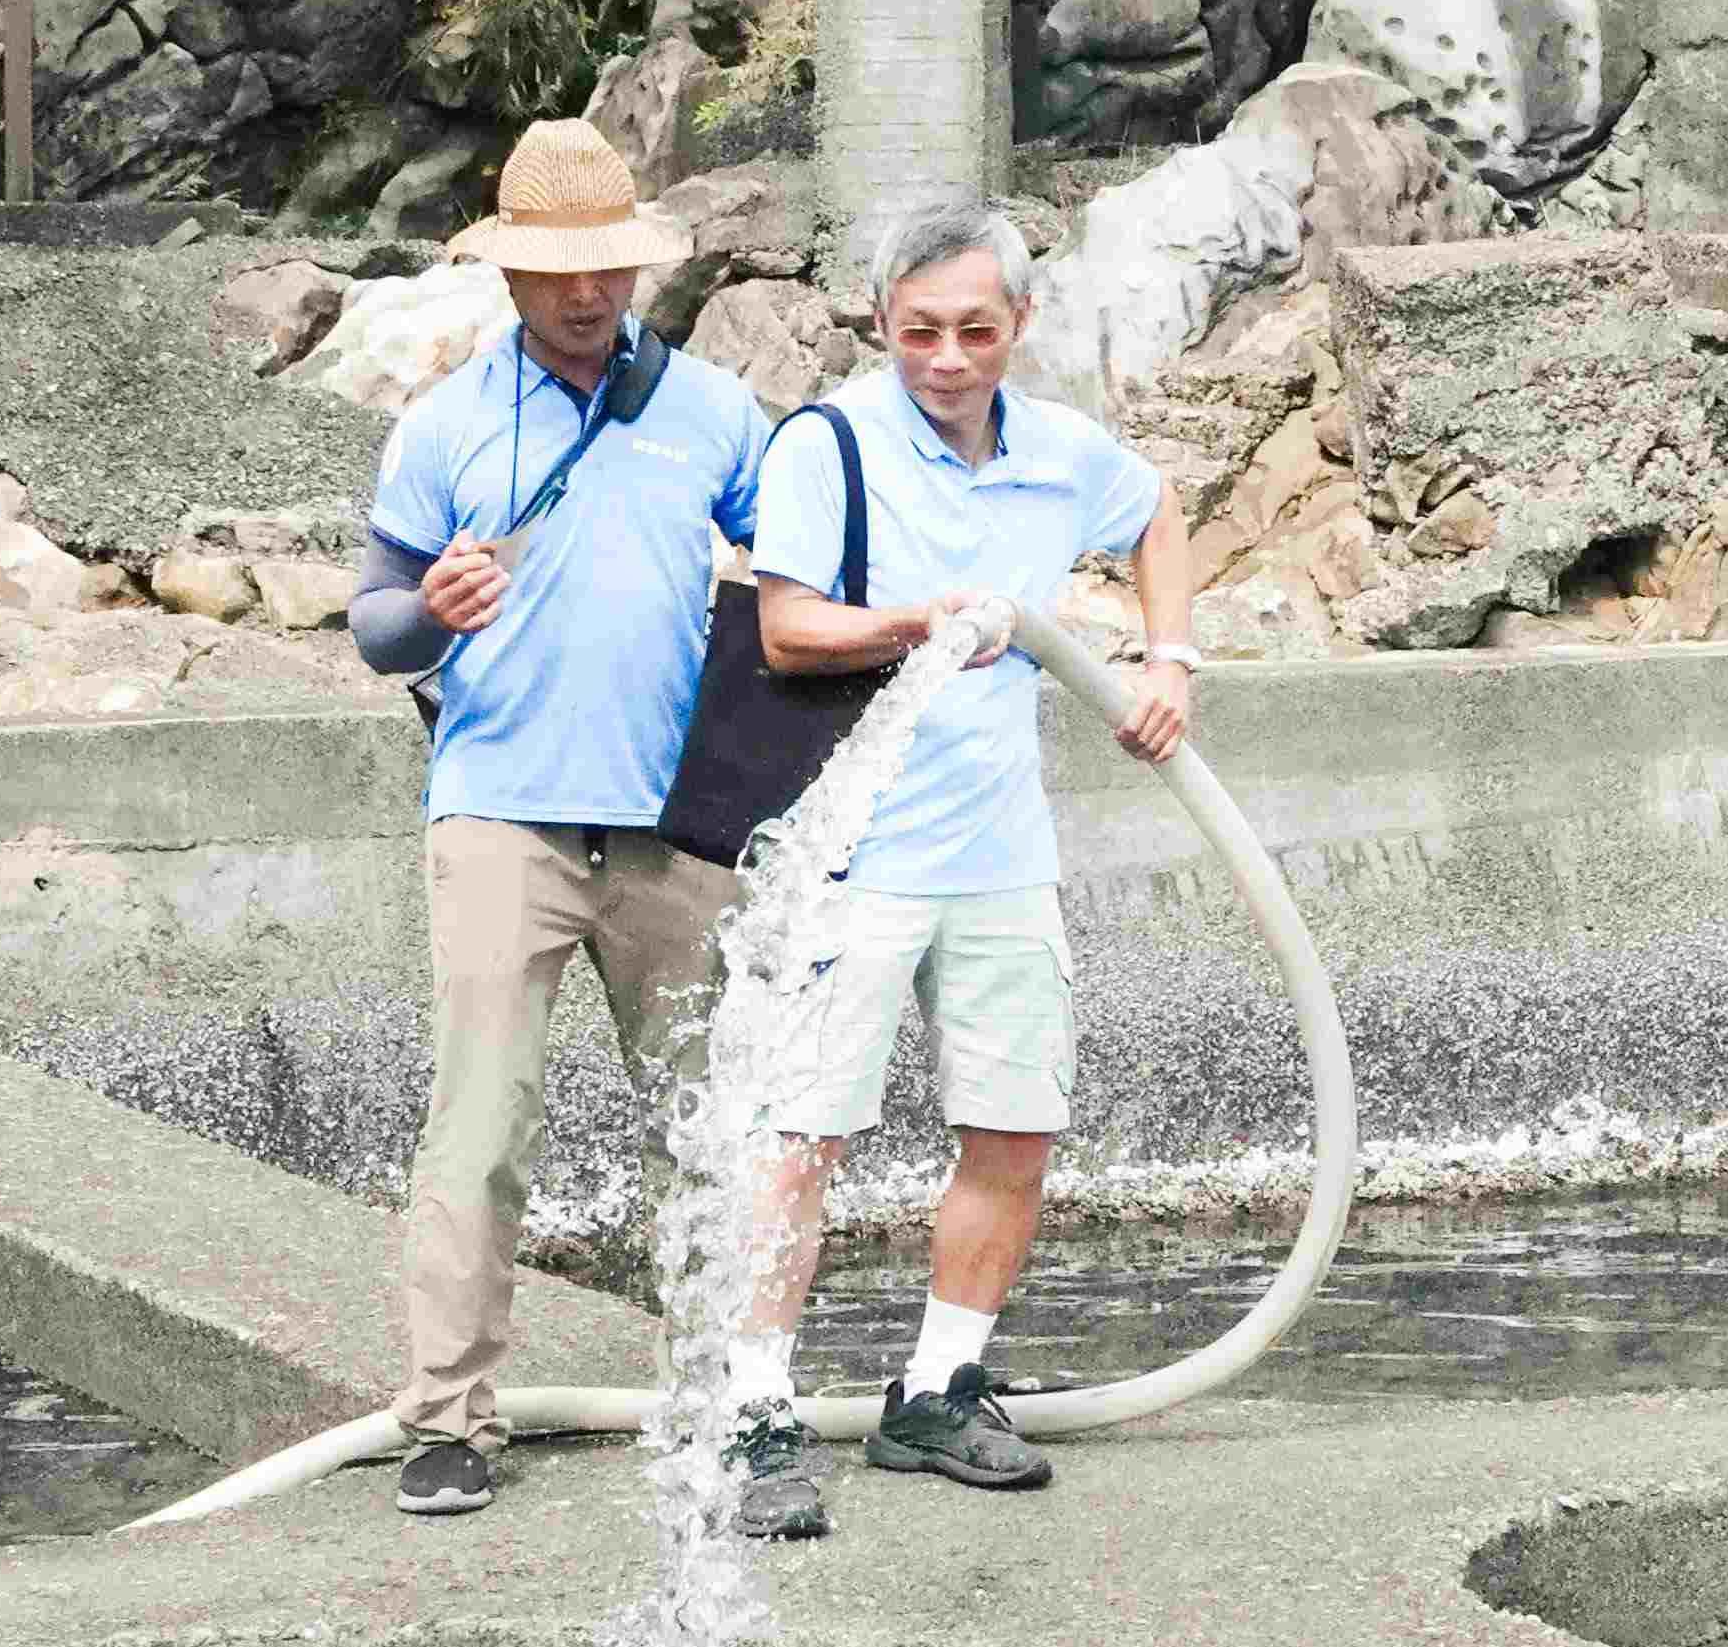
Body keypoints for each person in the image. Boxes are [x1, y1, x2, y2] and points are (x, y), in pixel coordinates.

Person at [719, 190, 1200, 1542]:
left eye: (973, 329)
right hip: (848, 850)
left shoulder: (1056, 452)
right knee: (801, 1134)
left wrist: (1166, 658)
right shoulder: (830, 443)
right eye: (919, 329)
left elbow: (1157, 511)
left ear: (1018, 325)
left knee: (1014, 1127)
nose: (945, 356)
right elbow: (786, 629)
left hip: (1000, 853)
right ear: (881, 324)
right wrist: (911, 622)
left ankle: (936, 1387)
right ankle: (754, 1406)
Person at [348, 117, 774, 1520]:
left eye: (606, 268)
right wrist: (432, 611)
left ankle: (730, 1403)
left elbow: (801, 573)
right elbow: (375, 626)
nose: (584, 294)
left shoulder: (712, 411)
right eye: (554, 272)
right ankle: (449, 1418)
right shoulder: (449, 422)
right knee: (477, 1129)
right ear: (509, 274)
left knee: (714, 1131)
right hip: (500, 817)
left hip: (675, 827)